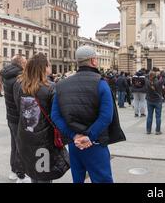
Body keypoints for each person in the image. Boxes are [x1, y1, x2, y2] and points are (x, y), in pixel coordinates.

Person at [51, 46, 125, 183]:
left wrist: (75, 136)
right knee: (102, 180)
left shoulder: (61, 85)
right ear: (93, 61)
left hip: (75, 144)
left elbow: (55, 115)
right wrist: (88, 136)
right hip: (95, 143)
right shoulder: (101, 83)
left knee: (77, 179)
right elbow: (106, 116)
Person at [13, 53, 70, 183]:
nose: (50, 66)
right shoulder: (50, 87)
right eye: (49, 64)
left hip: (26, 136)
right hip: (44, 141)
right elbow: (56, 115)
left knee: (34, 172)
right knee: (44, 176)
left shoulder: (18, 85)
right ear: (44, 67)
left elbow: (19, 110)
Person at [0, 55, 29, 182]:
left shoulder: (7, 75)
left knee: (14, 145)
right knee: (20, 146)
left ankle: (13, 171)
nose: (27, 64)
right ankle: (21, 175)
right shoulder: (19, 78)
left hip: (10, 117)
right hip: (17, 118)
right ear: (21, 64)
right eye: (25, 62)